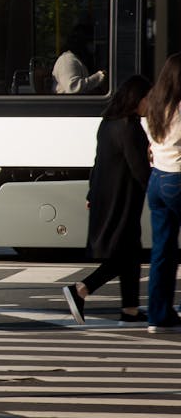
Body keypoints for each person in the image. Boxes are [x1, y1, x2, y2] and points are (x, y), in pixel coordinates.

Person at [62, 74, 152, 326]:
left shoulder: (109, 122)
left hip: (107, 194)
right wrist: (158, 190)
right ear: (137, 99)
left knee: (129, 252)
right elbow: (139, 169)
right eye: (148, 99)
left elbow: (97, 162)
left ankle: (130, 309)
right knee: (124, 255)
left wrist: (92, 192)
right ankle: (81, 289)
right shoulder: (128, 127)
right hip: (121, 199)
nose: (150, 105)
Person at [143, 53, 181, 333]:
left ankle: (158, 314)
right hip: (177, 179)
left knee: (162, 251)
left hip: (157, 180)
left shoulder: (155, 105)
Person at [53, 23, 107, 94]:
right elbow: (73, 88)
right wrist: (100, 76)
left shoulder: (78, 60)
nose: (94, 45)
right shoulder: (67, 60)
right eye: (90, 41)